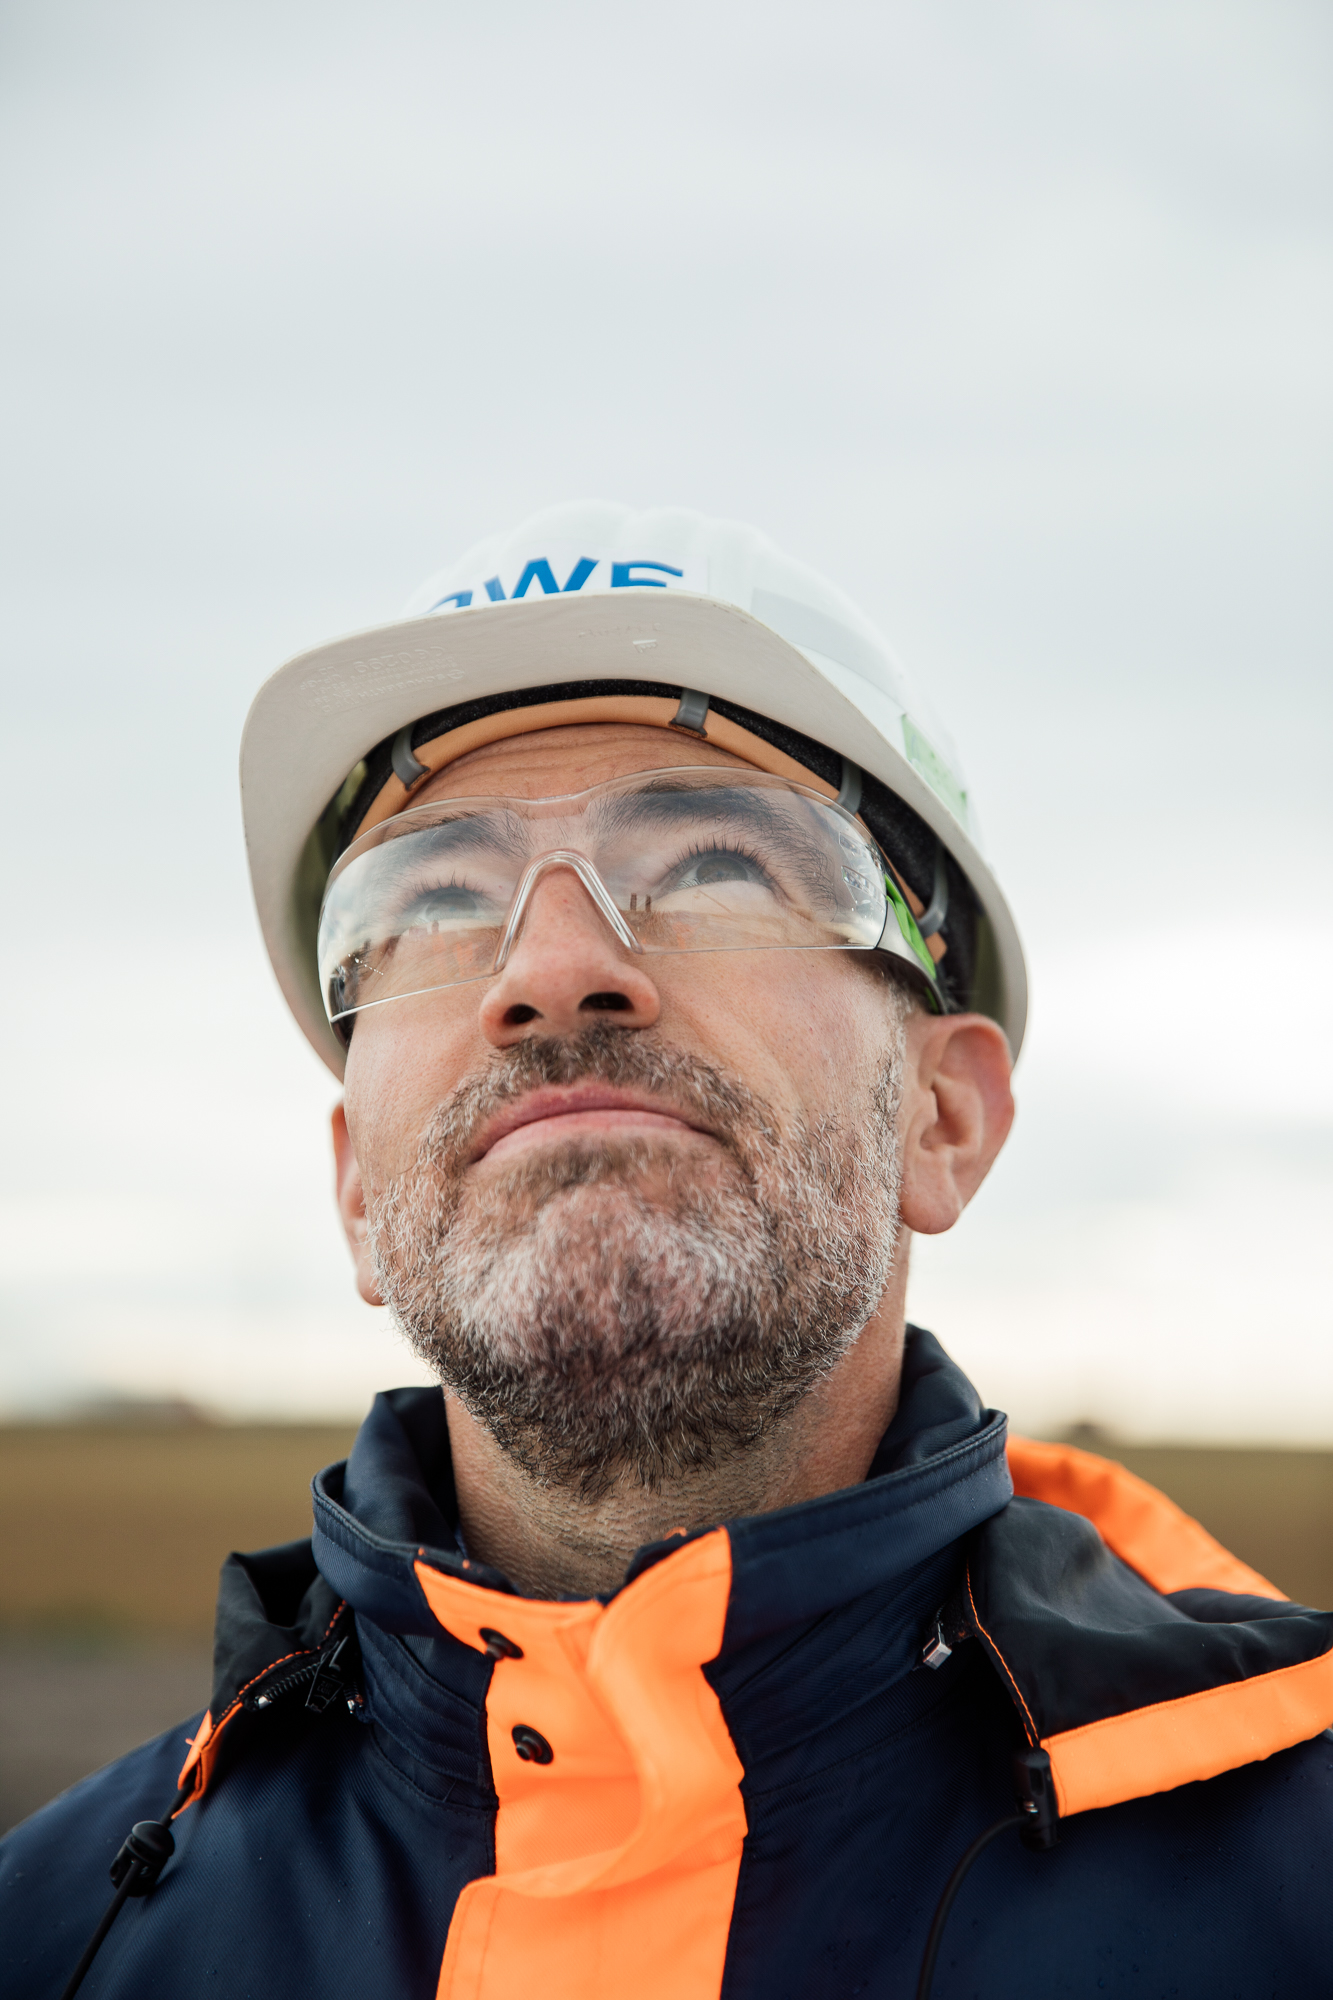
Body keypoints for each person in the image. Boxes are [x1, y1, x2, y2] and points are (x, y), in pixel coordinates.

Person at [5, 502, 1332, 1999]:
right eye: (432, 904)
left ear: (944, 1119)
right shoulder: (60, 1934)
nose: (553, 970)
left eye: (710, 864)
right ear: (357, 1192)